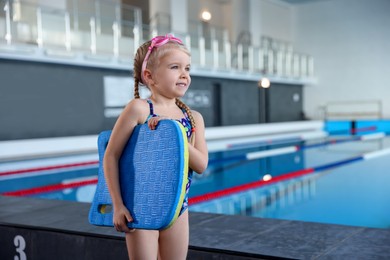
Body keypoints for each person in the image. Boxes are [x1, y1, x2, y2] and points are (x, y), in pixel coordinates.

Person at [103, 34, 209, 260]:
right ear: (149, 76)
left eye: (187, 68)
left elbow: (201, 165)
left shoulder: (193, 118)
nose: (184, 74)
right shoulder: (139, 109)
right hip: (139, 205)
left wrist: (175, 134)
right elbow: (111, 155)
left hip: (178, 207)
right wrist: (118, 205)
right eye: (174, 67)